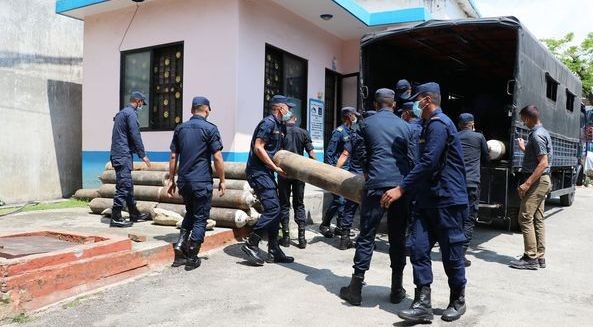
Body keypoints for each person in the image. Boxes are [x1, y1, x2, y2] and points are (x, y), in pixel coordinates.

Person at [381, 82, 468, 323]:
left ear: (427, 100)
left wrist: (401, 188)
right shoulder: (427, 126)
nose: (414, 104)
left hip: (447, 200)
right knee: (418, 249)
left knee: (452, 253)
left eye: (417, 99)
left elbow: (429, 161)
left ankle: (458, 299)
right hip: (426, 199)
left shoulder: (440, 124)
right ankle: (422, 304)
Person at [339, 89, 412, 306]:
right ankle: (397, 289)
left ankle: (355, 288)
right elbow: (411, 157)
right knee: (398, 237)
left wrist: (369, 171)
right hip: (399, 188)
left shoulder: (366, 124)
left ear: (376, 103)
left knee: (367, 235)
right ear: (394, 104)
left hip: (375, 185)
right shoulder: (406, 126)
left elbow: (359, 151)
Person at [167, 96, 225, 270]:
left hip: (184, 181)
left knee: (190, 214)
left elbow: (173, 156)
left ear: (192, 110)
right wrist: (222, 179)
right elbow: (217, 156)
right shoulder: (210, 129)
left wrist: (171, 179)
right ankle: (192, 256)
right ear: (206, 110)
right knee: (200, 217)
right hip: (201, 181)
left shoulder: (180, 129)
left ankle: (179, 247)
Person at [241, 95, 295, 266]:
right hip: (258, 171)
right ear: (280, 108)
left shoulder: (281, 126)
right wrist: (274, 167)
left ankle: (274, 249)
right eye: (288, 108)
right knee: (272, 209)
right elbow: (258, 147)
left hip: (267, 172)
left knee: (277, 210)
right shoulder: (268, 123)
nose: (290, 111)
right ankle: (251, 243)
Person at [509, 105, 552, 270]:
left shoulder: (537, 136)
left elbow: (543, 162)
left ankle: (530, 258)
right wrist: (524, 148)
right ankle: (540, 257)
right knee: (538, 218)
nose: (522, 122)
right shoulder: (542, 132)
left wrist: (527, 183)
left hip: (537, 181)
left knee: (525, 217)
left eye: (523, 118)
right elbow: (539, 156)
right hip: (543, 180)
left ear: (528, 118)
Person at [109, 91, 151, 228]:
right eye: (141, 103)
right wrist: (142, 154)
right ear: (137, 101)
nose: (141, 106)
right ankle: (115, 217)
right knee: (123, 186)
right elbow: (135, 134)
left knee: (128, 186)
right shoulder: (131, 114)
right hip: (122, 155)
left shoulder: (122, 113)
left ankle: (134, 213)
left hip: (119, 154)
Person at [278, 115, 316, 249]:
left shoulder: (280, 132)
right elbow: (311, 154)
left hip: (283, 173)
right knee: (299, 204)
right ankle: (301, 238)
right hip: (299, 173)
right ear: (295, 119)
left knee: (284, 204)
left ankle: (286, 237)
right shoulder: (303, 132)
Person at [457, 113, 490, 267]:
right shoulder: (479, 137)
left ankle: (452, 250)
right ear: (472, 124)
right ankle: (461, 255)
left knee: (456, 217)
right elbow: (486, 157)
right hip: (471, 184)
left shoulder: (454, 136)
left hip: (455, 184)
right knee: (469, 218)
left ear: (459, 124)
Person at [320, 109, 357, 238]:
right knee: (339, 201)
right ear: (348, 116)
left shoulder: (351, 132)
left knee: (345, 200)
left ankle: (340, 227)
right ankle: (324, 224)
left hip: (348, 172)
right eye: (353, 115)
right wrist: (330, 172)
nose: (355, 117)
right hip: (337, 171)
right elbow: (329, 152)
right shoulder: (339, 132)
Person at [335, 107, 364, 250]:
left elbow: (344, 155)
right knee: (366, 210)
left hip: (353, 175)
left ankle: (344, 239)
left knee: (349, 208)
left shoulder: (354, 136)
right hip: (366, 177)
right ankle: (364, 239)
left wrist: (335, 170)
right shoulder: (373, 138)